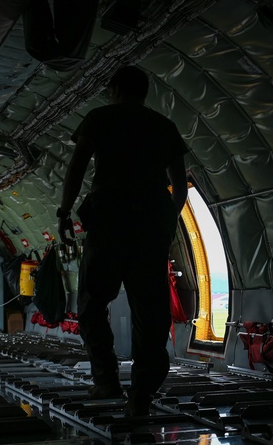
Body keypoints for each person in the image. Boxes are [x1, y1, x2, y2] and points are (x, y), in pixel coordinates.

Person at [58, 65, 188, 416]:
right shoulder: (164, 126)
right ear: (144, 92)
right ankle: (141, 395)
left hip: (110, 219)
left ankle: (106, 380)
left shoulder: (99, 118)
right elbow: (179, 183)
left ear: (114, 88)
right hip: (150, 223)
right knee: (150, 311)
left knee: (91, 303)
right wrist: (167, 219)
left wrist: (64, 211)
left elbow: (77, 167)